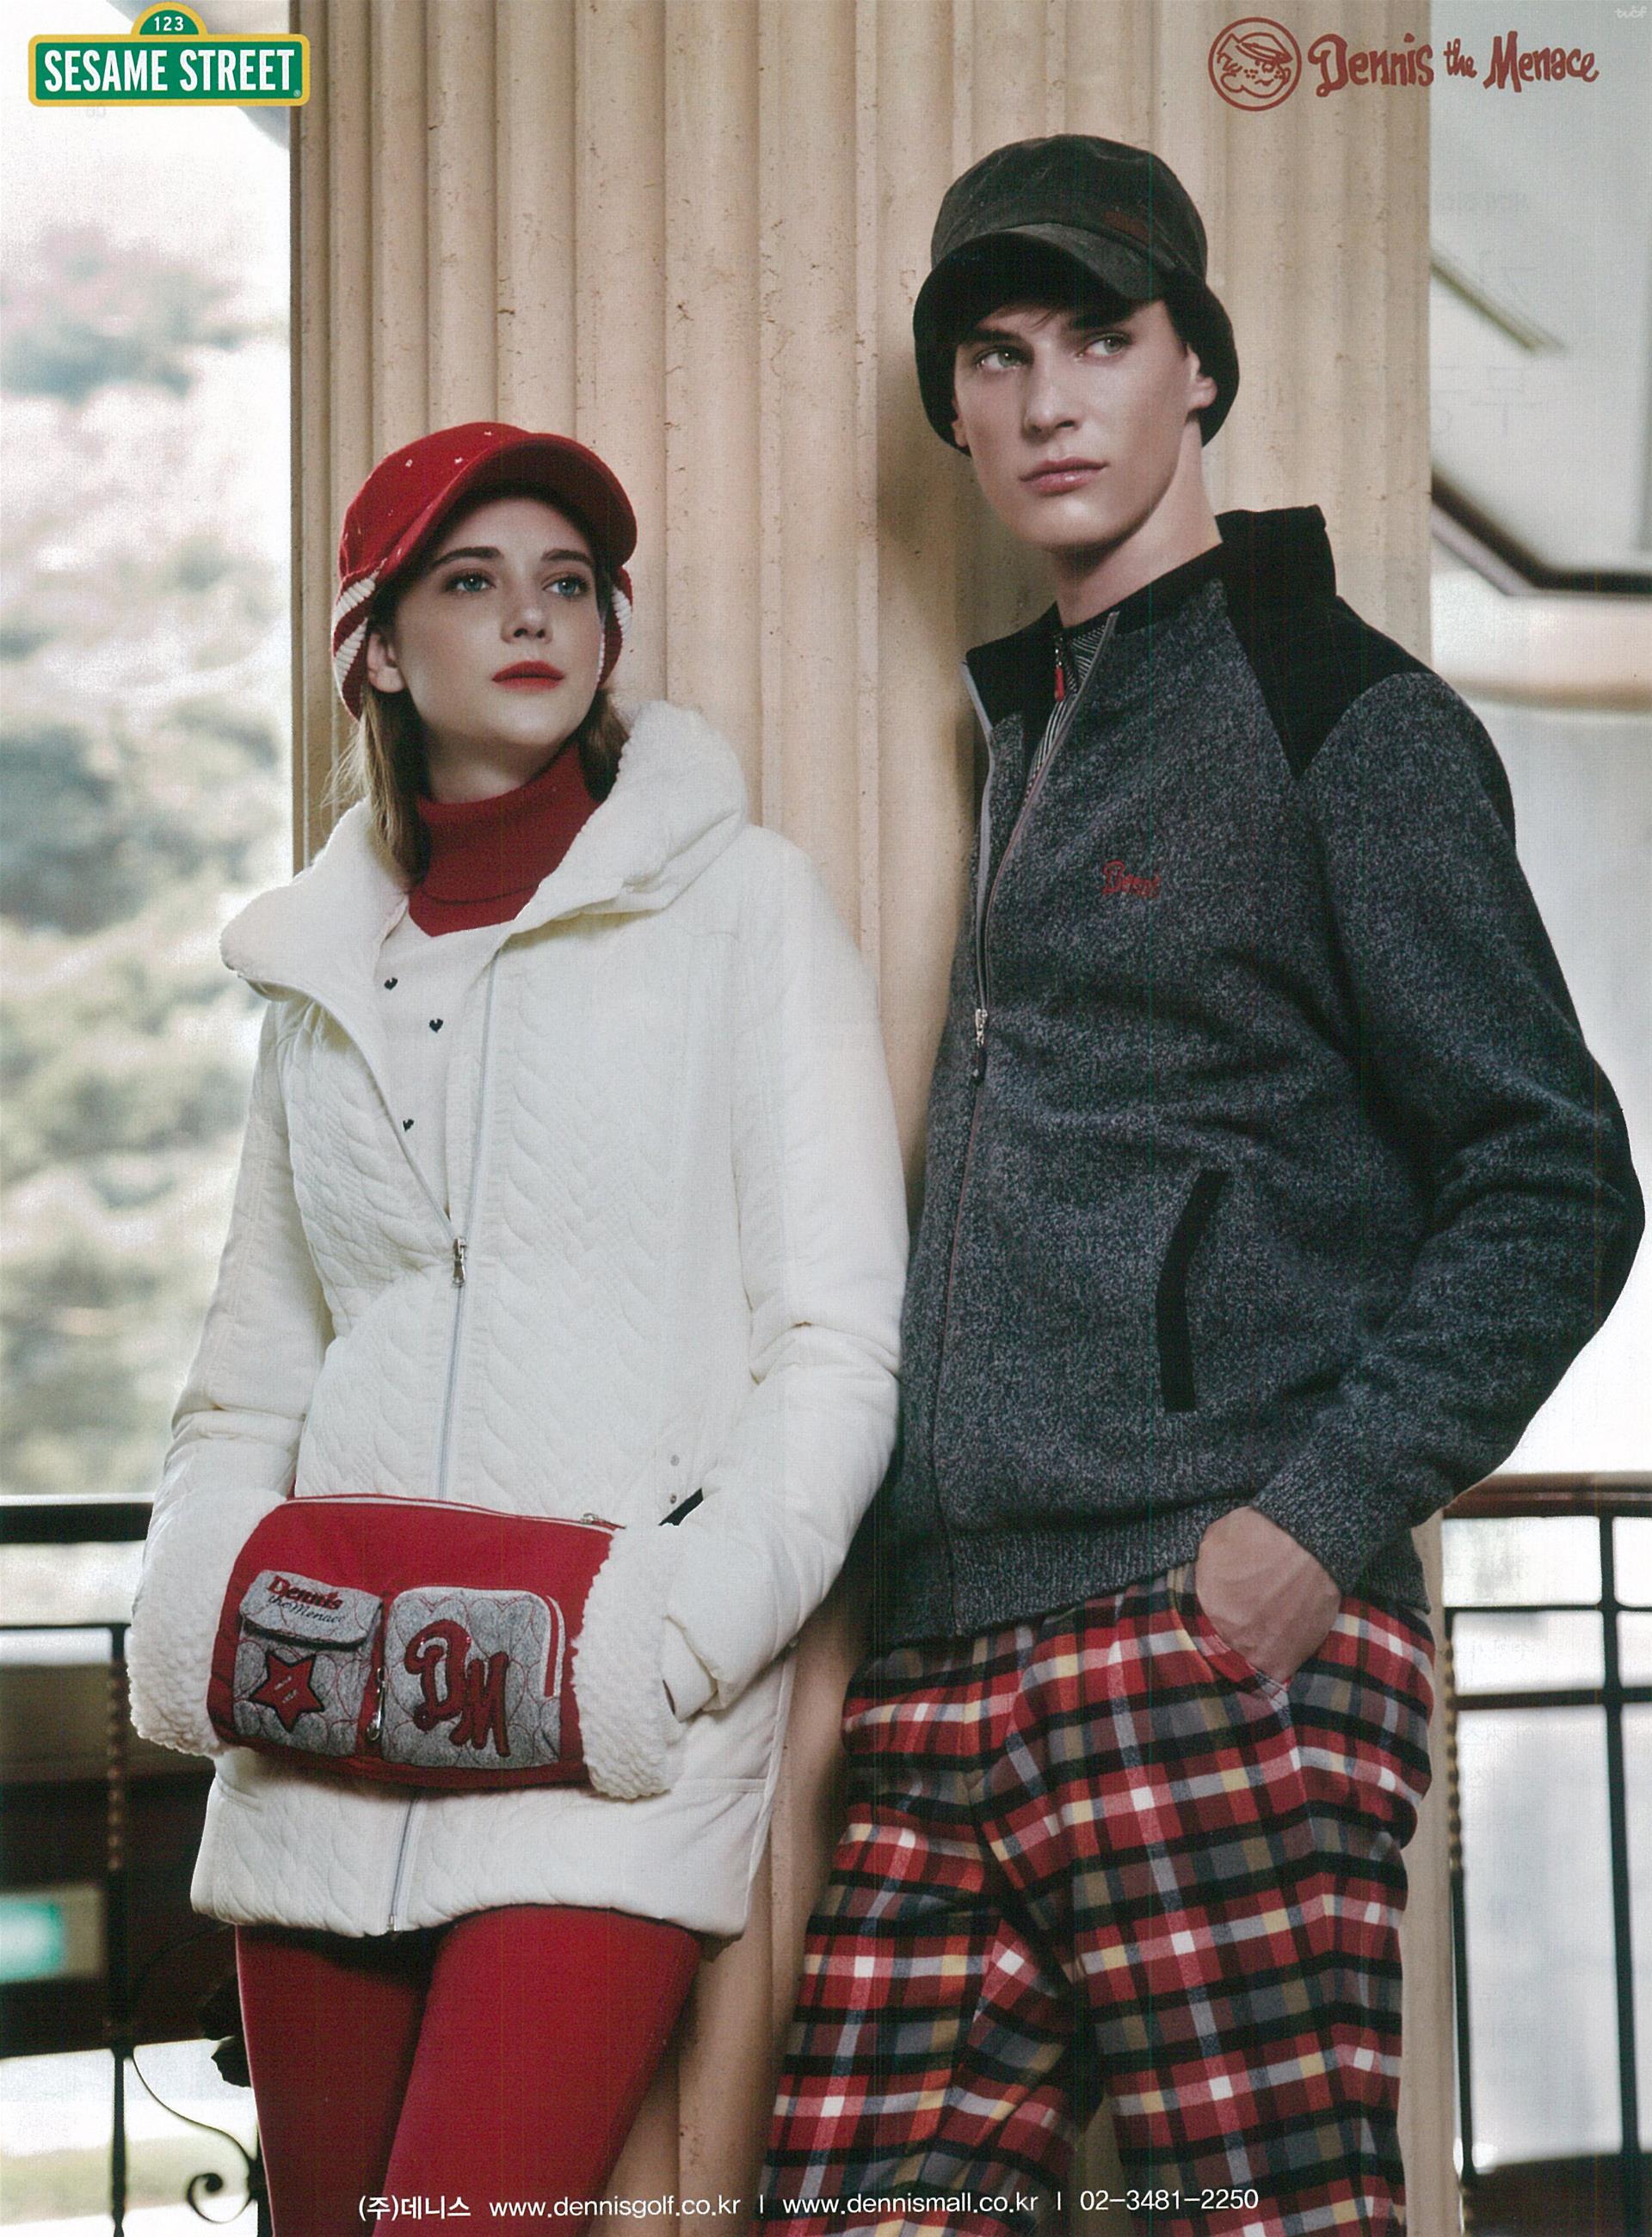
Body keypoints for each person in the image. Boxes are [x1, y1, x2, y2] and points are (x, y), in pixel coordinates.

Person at [761, 136, 1643, 2236]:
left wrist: (1310, 1527)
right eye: (997, 356)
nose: (1048, 399)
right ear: (954, 406)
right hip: (947, 1659)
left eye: (1101, 338)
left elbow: (1554, 1175)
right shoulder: (1035, 725)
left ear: (1200, 373)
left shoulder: (1343, 712)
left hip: (1204, 1633)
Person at [127, 421, 908, 2233]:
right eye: (472, 582)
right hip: (321, 1725)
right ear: (381, 652)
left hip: (595, 1735)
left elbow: (835, 1345)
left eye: (569, 582)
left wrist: (673, 1640)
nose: (533, 615)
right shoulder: (316, 974)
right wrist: (206, 1595)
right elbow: (249, 1375)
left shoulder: (744, 909)